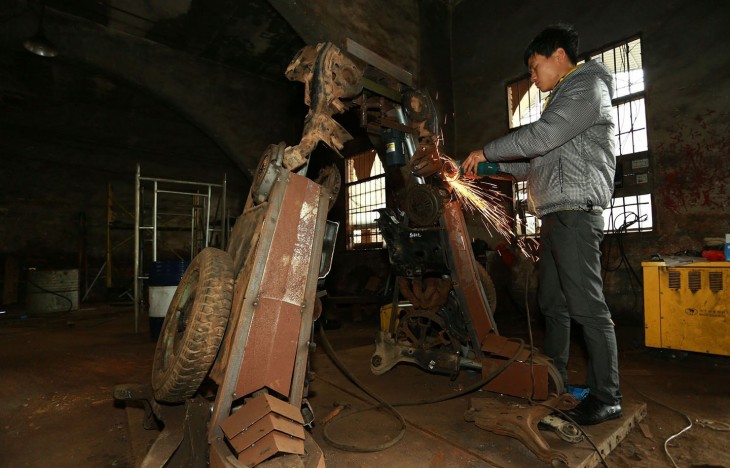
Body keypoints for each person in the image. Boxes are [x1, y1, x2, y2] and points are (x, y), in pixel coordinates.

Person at [461, 24, 622, 425]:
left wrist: (487, 148)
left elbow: (541, 138)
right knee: (553, 303)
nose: (533, 77)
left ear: (559, 56)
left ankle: (608, 395)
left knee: (587, 307)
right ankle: (558, 380)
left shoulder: (587, 88)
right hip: (554, 216)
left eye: (535, 67)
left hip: (575, 214)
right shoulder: (562, 101)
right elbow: (533, 162)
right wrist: (488, 164)